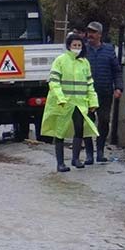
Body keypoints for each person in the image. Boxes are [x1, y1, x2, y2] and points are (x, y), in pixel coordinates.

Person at [42, 34, 100, 171]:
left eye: (79, 46)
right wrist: (61, 98)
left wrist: (93, 102)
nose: (77, 48)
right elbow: (54, 82)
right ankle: (60, 163)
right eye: (74, 45)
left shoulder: (84, 62)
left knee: (79, 129)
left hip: (80, 103)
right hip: (63, 103)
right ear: (69, 46)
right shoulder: (60, 61)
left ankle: (75, 159)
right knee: (59, 132)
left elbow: (89, 84)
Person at [83, 21, 123, 163]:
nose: (90, 35)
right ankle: (89, 153)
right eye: (89, 32)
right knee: (87, 122)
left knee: (104, 121)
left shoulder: (109, 50)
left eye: (93, 32)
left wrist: (118, 87)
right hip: (86, 93)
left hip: (104, 92)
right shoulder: (83, 50)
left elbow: (117, 71)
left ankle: (100, 150)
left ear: (100, 34)